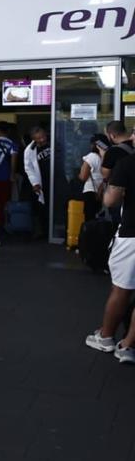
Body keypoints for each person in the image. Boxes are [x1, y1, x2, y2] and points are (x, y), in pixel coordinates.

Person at [85, 151, 135, 364]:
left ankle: (105, 336)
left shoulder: (128, 164)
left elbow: (111, 200)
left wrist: (107, 187)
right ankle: (128, 345)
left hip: (132, 235)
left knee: (121, 289)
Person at [23, 126, 51, 238]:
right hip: (42, 181)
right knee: (43, 208)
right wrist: (35, 183)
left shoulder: (53, 141)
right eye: (39, 138)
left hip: (56, 179)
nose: (42, 139)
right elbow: (28, 168)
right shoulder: (30, 150)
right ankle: (45, 232)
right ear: (33, 139)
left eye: (43, 136)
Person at [79, 134, 108, 219]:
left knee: (89, 220)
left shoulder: (92, 157)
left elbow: (83, 177)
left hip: (90, 192)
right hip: (102, 192)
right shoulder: (106, 158)